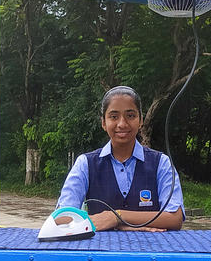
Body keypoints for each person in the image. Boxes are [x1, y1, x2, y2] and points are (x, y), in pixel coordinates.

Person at [56, 86, 184, 232]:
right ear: (103, 122)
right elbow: (62, 218)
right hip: (98, 252)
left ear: (141, 120)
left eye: (130, 115)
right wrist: (128, 227)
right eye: (114, 116)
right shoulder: (85, 163)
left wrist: (115, 217)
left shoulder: (161, 163)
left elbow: (174, 218)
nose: (122, 124)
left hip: (150, 252)